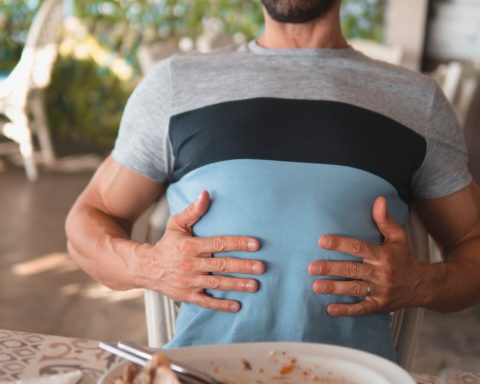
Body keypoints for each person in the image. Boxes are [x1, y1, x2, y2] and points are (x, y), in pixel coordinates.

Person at [66, 0, 480, 362]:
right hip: (197, 375)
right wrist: (151, 266)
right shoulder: (176, 85)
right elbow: (88, 221)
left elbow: (472, 244)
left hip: (349, 378)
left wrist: (418, 284)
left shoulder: (415, 101)